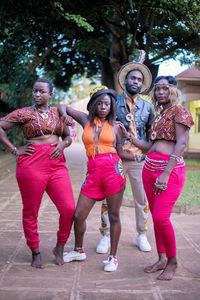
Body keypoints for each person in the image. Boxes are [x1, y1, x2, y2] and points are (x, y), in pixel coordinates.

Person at [58, 86, 140, 272]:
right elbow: (61, 107)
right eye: (100, 103)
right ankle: (79, 251)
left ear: (112, 106)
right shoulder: (85, 120)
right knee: (78, 215)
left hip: (113, 171)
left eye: (107, 104)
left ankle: (113, 257)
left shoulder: (117, 126)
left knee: (113, 215)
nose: (104, 107)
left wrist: (137, 157)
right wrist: (65, 116)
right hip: (93, 172)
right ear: (94, 104)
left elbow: (120, 152)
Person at [120, 75, 194, 280]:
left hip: (168, 172)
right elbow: (152, 146)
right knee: (156, 217)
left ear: (173, 90)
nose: (160, 92)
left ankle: (173, 262)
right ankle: (161, 258)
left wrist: (166, 174)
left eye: (165, 88)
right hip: (149, 170)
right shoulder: (160, 114)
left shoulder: (180, 111)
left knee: (162, 217)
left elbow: (180, 144)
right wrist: (131, 138)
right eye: (157, 89)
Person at [0, 78, 75, 268]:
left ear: (50, 94)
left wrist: (63, 143)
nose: (37, 95)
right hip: (31, 165)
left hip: (57, 164)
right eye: (35, 91)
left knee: (68, 209)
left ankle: (60, 247)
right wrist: (14, 149)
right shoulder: (24, 113)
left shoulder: (58, 113)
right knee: (31, 210)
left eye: (42, 92)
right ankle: (35, 251)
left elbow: (68, 136)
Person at [96, 53, 155, 254]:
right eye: (133, 78)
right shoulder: (112, 102)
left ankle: (142, 234)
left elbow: (151, 136)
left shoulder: (148, 107)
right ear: (126, 80)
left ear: (142, 83)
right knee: (108, 198)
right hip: (114, 158)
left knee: (142, 199)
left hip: (139, 159)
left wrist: (146, 149)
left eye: (139, 79)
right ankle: (105, 235)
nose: (136, 82)